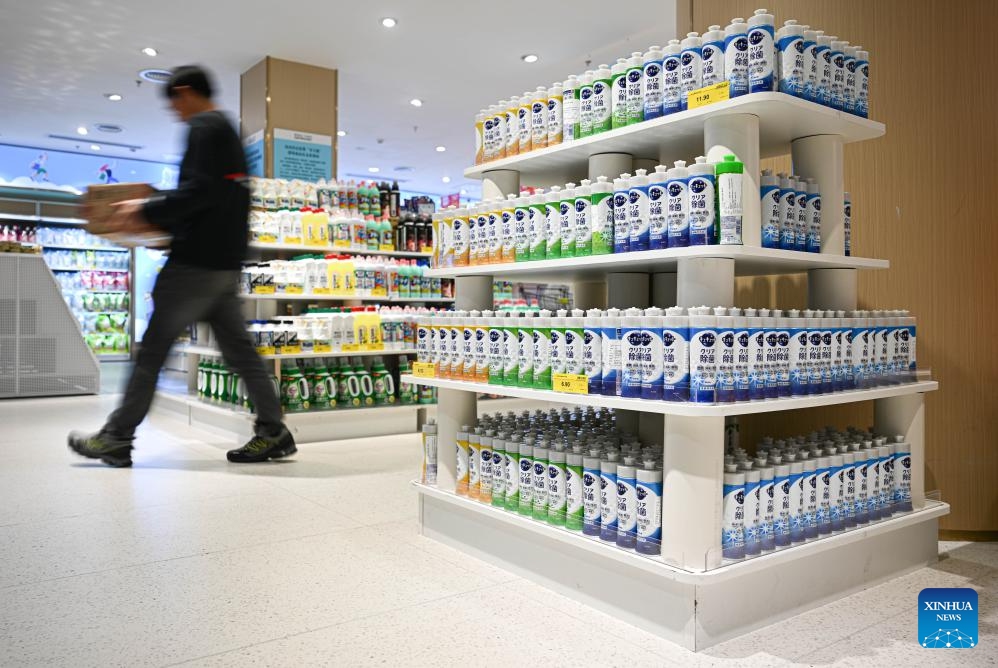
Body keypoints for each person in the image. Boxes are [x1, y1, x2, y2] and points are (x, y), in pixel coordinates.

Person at [69, 65, 295, 467]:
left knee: (152, 352)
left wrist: (146, 209)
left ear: (185, 92)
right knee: (241, 354)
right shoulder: (228, 131)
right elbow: (219, 199)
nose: (174, 110)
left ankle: (117, 437)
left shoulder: (204, 128)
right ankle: (273, 429)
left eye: (173, 101)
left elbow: (198, 193)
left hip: (194, 266)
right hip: (223, 267)